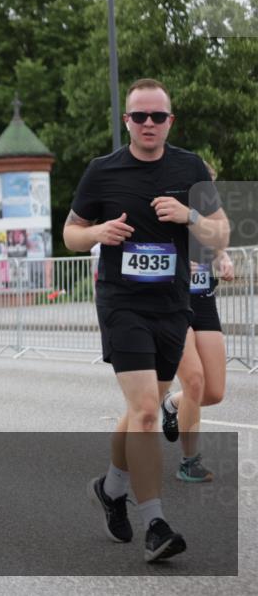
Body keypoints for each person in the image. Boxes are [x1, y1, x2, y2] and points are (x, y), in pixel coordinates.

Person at [64, 78, 228, 563]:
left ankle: (112, 488)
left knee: (146, 408)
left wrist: (188, 216)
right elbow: (71, 234)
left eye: (158, 116)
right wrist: (98, 231)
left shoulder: (190, 167)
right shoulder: (103, 171)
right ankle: (155, 522)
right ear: (127, 121)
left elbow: (220, 234)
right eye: (140, 116)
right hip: (122, 303)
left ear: (170, 121)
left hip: (173, 306)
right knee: (147, 414)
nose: (149, 124)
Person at [160, 162, 232, 482]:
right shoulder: (166, 208)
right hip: (172, 304)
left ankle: (172, 405)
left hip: (203, 301)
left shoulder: (206, 216)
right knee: (195, 380)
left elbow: (216, 246)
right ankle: (190, 461)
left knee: (214, 391)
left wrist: (223, 258)